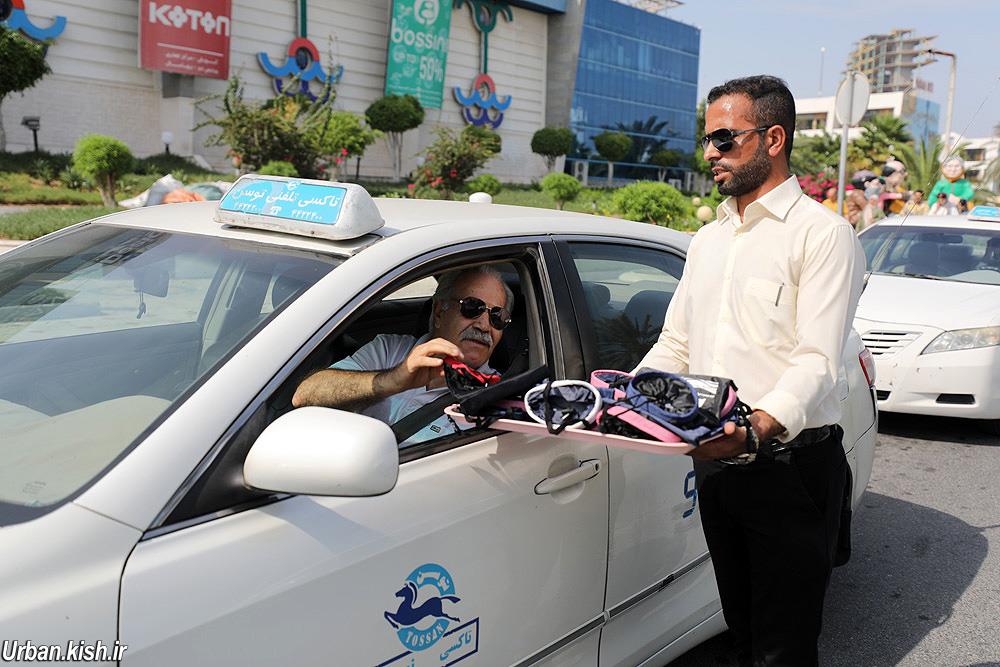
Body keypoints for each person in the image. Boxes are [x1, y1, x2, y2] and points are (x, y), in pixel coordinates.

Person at [638, 75, 865, 666]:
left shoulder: (823, 235)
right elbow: (676, 343)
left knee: (782, 649)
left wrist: (756, 429)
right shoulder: (707, 241)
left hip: (790, 468)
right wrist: (626, 398)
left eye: (724, 138)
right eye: (707, 140)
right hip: (717, 464)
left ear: (773, 138)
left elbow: (817, 358)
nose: (710, 153)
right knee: (740, 630)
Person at [292, 266, 512, 443]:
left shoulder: (499, 398)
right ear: (439, 312)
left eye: (497, 317)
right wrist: (393, 380)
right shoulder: (389, 349)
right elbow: (306, 394)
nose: (484, 326)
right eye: (473, 307)